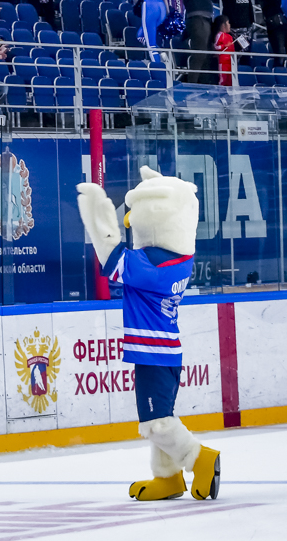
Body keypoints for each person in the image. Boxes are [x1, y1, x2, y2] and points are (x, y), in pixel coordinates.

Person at [75, 167, 220, 501]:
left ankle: (201, 458)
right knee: (161, 417)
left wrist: (98, 215)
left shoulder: (154, 266)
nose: (129, 222)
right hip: (162, 351)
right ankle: (169, 478)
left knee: (156, 422)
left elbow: (112, 261)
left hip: (155, 354)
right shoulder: (179, 258)